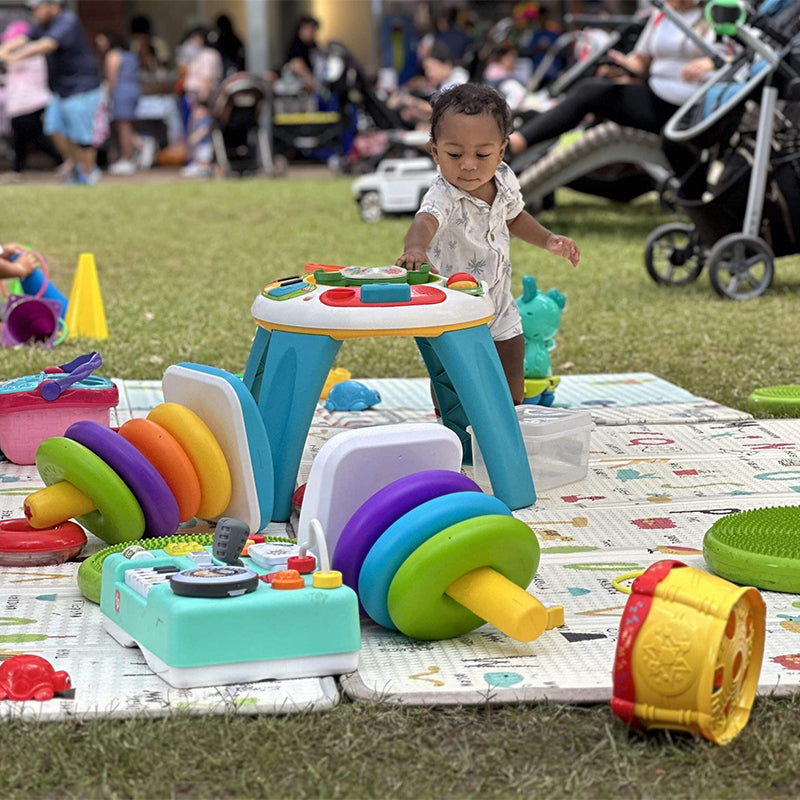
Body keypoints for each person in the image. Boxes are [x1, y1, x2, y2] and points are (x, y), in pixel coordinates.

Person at [396, 84, 580, 406]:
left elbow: (515, 217)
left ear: (501, 151)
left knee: (512, 361)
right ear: (435, 151)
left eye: (482, 154)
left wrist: (549, 240)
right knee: (449, 375)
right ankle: (451, 428)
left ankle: (508, 420)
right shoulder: (445, 194)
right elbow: (424, 221)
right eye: (454, 154)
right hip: (453, 306)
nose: (468, 165)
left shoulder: (504, 178)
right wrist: (416, 249)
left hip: (498, 300)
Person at [507, 0, 719, 156]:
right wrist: (622, 66)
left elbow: (743, 56)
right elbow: (641, 62)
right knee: (590, 90)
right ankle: (514, 145)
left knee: (675, 143)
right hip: (657, 99)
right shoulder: (662, 13)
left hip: (697, 107)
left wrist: (712, 63)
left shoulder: (721, 10)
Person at [0, 0, 105, 186]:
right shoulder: (42, 26)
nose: (35, 13)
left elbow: (47, 45)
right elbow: (24, 39)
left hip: (82, 86)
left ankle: (89, 173)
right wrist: (4, 49)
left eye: (38, 8)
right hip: (60, 89)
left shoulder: (67, 21)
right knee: (53, 128)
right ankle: (78, 169)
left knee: (81, 135)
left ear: (52, 5)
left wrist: (14, 57)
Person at [0, 19, 62, 182]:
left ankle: (64, 161)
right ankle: (17, 171)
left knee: (36, 137)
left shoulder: (30, 53)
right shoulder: (26, 52)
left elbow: (6, 56)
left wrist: (6, 52)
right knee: (19, 138)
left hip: (30, 102)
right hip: (19, 103)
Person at [96, 30, 142, 176]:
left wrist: (107, 94)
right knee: (126, 125)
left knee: (123, 127)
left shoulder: (113, 55)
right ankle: (140, 145)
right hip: (134, 89)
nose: (100, 45)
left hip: (121, 92)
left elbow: (112, 78)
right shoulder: (132, 55)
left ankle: (127, 158)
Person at [284, 15, 321, 91]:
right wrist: (314, 83)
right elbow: (297, 65)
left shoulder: (313, 45)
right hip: (298, 86)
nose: (312, 32)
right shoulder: (296, 45)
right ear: (301, 28)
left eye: (314, 30)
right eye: (309, 29)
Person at [180, 98, 213, 178]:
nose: (195, 114)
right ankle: (200, 169)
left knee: (204, 159)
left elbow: (204, 130)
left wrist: (195, 137)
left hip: (206, 145)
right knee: (199, 158)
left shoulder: (206, 120)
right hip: (200, 146)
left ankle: (206, 172)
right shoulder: (197, 122)